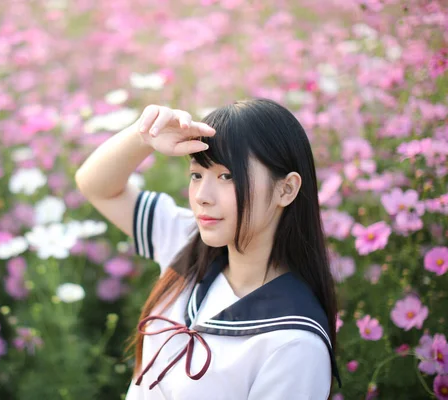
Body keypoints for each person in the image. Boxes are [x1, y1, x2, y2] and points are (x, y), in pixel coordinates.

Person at [74, 99, 341, 399]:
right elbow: (95, 185)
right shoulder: (188, 241)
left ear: (287, 189)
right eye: (197, 175)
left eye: (227, 176)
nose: (202, 196)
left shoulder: (293, 342)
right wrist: (143, 136)